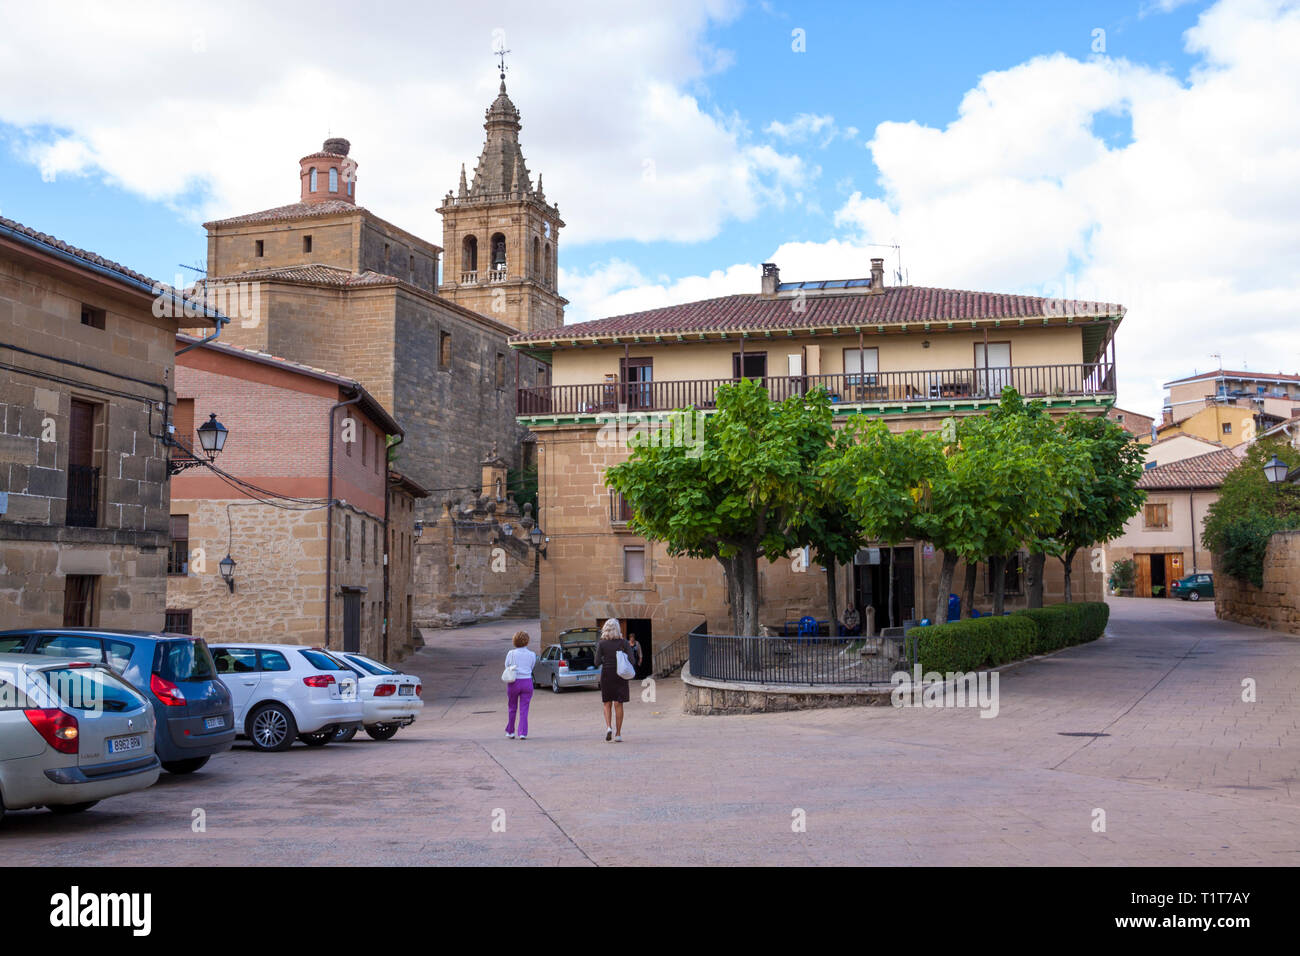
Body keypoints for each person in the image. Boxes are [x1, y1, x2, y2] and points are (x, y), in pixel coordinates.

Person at [593, 618, 631, 742]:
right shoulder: (623, 643)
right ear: (618, 629)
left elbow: (596, 662)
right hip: (620, 674)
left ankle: (609, 727)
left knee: (607, 703)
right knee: (618, 703)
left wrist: (606, 660)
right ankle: (618, 734)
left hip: (607, 674)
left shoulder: (602, 643)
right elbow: (632, 660)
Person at [504, 631, 536, 740]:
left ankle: (510, 731)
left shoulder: (511, 653)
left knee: (512, 707)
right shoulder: (532, 654)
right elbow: (531, 667)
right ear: (527, 641)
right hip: (527, 681)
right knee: (524, 708)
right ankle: (523, 732)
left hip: (514, 681)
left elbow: (507, 665)